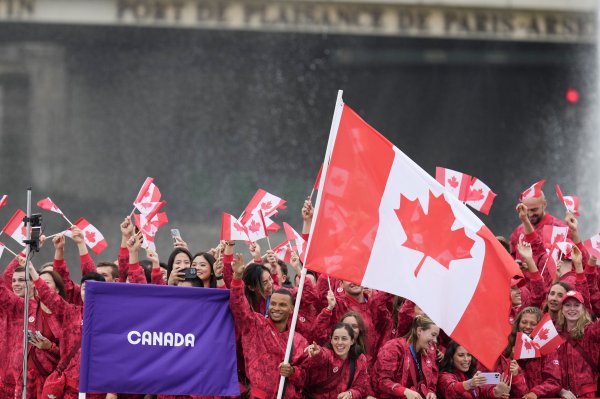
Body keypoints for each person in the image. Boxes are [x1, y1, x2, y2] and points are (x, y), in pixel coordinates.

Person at [229, 253, 308, 399]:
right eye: (273, 304)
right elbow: (239, 307)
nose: (276, 308)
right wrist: (237, 278)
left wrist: (292, 372)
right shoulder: (255, 324)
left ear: (292, 309)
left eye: (283, 305)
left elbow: (305, 377)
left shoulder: (299, 341)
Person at [372, 315, 439, 399]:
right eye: (433, 335)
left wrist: (430, 392)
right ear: (419, 330)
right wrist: (404, 391)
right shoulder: (393, 347)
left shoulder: (429, 353)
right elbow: (381, 381)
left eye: (437, 336)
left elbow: (431, 383)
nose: (435, 340)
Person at [502, 307, 561, 398]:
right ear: (518, 324)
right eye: (524, 322)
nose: (528, 326)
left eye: (533, 324)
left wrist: (535, 393)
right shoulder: (509, 346)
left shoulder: (548, 349)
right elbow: (503, 381)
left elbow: (554, 382)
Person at [303, 323, 371, 399]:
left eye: (344, 339)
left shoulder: (360, 359)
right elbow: (322, 355)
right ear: (331, 340)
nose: (339, 343)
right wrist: (317, 353)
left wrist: (350, 394)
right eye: (336, 338)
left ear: (352, 341)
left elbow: (361, 387)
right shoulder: (328, 354)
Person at [555, 290, 600, 398]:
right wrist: (561, 390)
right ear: (562, 309)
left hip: (588, 394)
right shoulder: (554, 334)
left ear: (583, 309)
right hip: (562, 395)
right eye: (567, 305)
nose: (572, 309)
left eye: (576, 305)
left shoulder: (592, 331)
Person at [509, 181, 568, 258]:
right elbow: (511, 258)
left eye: (534, 210)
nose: (530, 214)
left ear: (544, 204)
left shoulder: (560, 228)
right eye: (527, 210)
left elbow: (572, 260)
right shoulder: (518, 232)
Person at [438, 341, 509, 399]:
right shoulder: (444, 376)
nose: (466, 359)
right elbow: (450, 391)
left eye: (469, 355)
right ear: (451, 358)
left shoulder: (470, 374)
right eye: (461, 355)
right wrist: (469, 383)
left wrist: (496, 392)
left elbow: (483, 390)